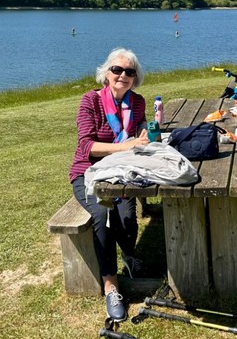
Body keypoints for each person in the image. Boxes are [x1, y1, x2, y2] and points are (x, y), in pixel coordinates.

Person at [69, 47, 149, 322]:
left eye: (129, 72)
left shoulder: (137, 102)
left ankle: (128, 255)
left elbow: (141, 126)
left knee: (126, 218)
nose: (123, 75)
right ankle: (111, 287)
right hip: (88, 172)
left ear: (135, 78)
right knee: (103, 215)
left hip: (122, 172)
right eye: (117, 69)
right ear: (106, 73)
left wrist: (144, 132)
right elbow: (87, 146)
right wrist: (126, 146)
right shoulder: (90, 101)